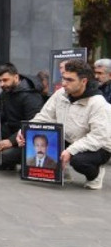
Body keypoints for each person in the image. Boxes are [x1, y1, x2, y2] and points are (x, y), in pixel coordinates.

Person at [19, 59, 111, 189]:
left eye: (70, 80)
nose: (64, 84)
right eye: (63, 79)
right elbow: (44, 116)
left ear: (83, 81)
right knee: (37, 144)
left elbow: (98, 137)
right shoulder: (61, 94)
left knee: (79, 161)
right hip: (68, 138)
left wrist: (70, 151)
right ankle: (61, 172)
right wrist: (24, 131)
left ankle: (95, 174)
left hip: (99, 147)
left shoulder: (98, 103)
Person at [0, 63, 45, 171]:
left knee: (3, 157)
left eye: (5, 80)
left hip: (27, 139)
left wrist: (11, 141)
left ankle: (22, 161)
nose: (2, 84)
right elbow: (3, 116)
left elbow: (33, 125)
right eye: (0, 81)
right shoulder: (6, 92)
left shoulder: (31, 96)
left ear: (16, 77)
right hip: (12, 131)